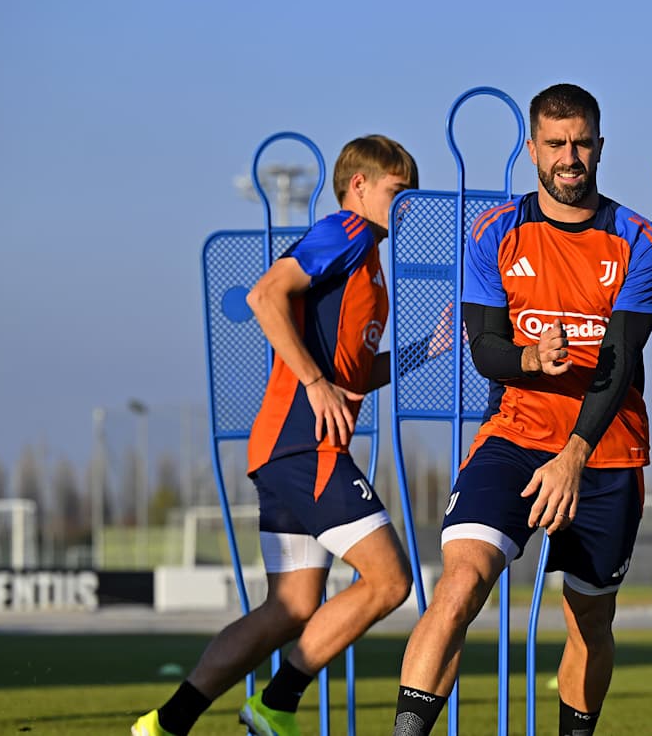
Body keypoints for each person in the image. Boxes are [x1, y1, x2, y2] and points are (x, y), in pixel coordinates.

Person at [134, 135, 445, 736]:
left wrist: (421, 353)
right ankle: (275, 704)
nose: (406, 205)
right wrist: (313, 383)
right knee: (391, 581)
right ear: (359, 186)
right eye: (396, 191)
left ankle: (164, 725)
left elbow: (354, 374)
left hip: (288, 450)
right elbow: (263, 295)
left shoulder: (371, 266)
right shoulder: (347, 232)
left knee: (291, 609)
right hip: (303, 447)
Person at [391, 83, 652, 736]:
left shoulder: (636, 238)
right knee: (457, 591)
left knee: (589, 620)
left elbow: (618, 361)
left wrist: (575, 455)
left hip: (603, 450)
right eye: (557, 144)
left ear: (600, 147)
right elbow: (484, 347)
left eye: (583, 143)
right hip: (514, 438)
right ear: (532, 149)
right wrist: (529, 361)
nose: (570, 157)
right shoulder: (495, 232)